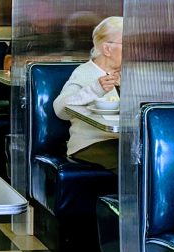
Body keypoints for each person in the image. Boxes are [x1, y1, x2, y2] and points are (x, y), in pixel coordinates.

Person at [52, 16, 122, 171]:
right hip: (91, 144)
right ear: (107, 49)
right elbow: (60, 109)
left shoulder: (130, 74)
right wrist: (95, 89)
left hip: (124, 141)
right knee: (132, 164)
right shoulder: (84, 72)